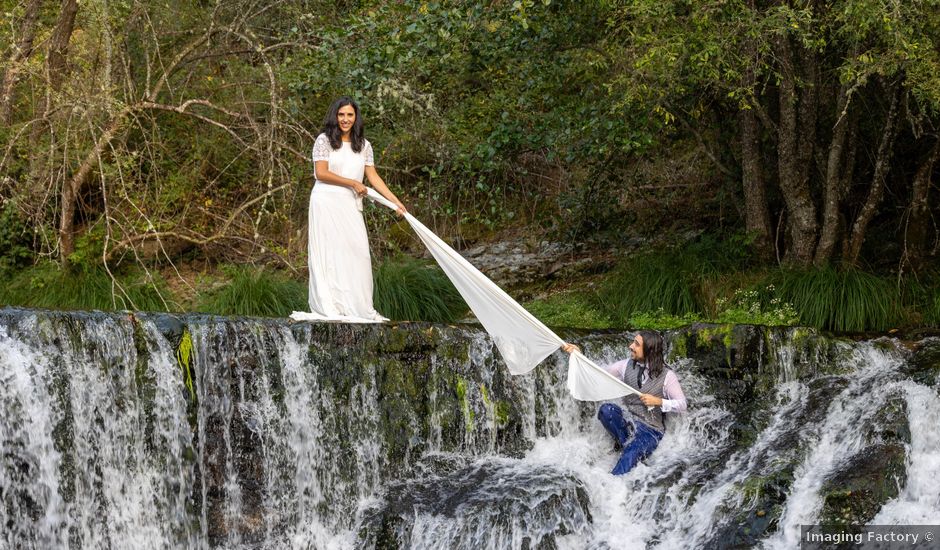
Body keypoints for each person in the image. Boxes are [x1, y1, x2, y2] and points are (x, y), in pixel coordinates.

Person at [291, 96, 407, 323]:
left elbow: (372, 176)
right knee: (330, 254)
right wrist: (352, 183)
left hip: (350, 205)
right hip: (326, 202)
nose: (345, 119)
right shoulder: (324, 141)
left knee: (359, 253)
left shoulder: (363, 145)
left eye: (350, 115)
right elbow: (321, 173)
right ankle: (332, 305)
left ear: (356, 117)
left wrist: (394, 201)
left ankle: (360, 307)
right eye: (341, 114)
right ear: (335, 116)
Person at [562, 330, 687, 475]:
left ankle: (612, 481)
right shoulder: (624, 365)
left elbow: (682, 405)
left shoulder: (667, 376)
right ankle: (626, 444)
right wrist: (579, 356)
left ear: (649, 350)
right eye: (633, 342)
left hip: (650, 430)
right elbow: (598, 373)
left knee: (632, 451)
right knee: (606, 410)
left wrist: (659, 401)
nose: (630, 346)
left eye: (636, 344)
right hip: (629, 421)